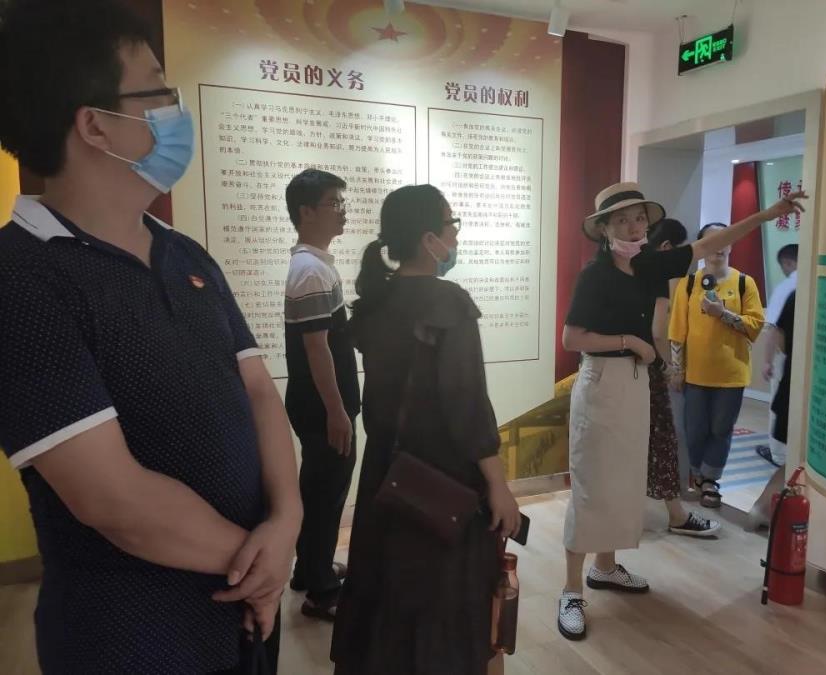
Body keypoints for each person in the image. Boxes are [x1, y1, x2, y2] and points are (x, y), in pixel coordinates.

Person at [0, 1, 301, 672]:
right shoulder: (21, 278)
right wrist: (260, 564)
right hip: (132, 638)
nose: (175, 108)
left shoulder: (185, 254)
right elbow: (113, 498)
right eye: (158, 91)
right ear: (95, 125)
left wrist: (286, 521)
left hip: (243, 616)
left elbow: (258, 391)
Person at [557, 182, 804, 641]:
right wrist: (630, 342)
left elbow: (711, 244)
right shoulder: (596, 275)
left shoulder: (649, 264)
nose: (634, 227)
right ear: (605, 228)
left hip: (635, 384)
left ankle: (605, 567)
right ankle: (571, 590)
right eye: (622, 220)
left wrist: (767, 215)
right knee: (593, 485)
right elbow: (573, 338)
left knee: (625, 483)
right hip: (602, 380)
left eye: (639, 219)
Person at [331, 184, 521, 675]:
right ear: (428, 239)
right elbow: (467, 403)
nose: (455, 235)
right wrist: (498, 484)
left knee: (386, 592)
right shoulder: (448, 302)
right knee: (448, 600)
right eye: (450, 224)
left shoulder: (375, 300)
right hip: (444, 477)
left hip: (389, 471)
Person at [283, 169, 360, 621]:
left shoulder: (313, 264)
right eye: (334, 203)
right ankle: (321, 592)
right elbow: (317, 348)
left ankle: (309, 569)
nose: (342, 211)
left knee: (320, 487)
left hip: (318, 403)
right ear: (306, 212)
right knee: (327, 492)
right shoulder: (310, 270)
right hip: (322, 406)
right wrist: (337, 410)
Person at [668, 223, 766, 508]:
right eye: (711, 240)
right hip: (695, 374)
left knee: (721, 430)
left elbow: (755, 326)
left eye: (725, 239)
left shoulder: (744, 283)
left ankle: (710, 480)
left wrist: (722, 313)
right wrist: (677, 369)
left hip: (732, 374)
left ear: (731, 244)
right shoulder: (689, 284)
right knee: (695, 429)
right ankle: (697, 474)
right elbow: (677, 330)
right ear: (701, 247)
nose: (719, 246)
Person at [645, 219, 720, 538]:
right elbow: (659, 330)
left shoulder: (629, 270)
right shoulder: (663, 278)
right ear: (667, 248)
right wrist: (670, 367)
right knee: (666, 437)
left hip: (628, 368)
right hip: (650, 368)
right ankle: (677, 511)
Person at [747, 290, 796, 530]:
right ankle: (764, 508)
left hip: (793, 386)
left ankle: (763, 509)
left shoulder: (795, 294)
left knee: (796, 460)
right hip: (802, 393)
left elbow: (781, 341)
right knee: (797, 460)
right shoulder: (796, 293)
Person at [756, 243, 798, 468]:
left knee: (780, 403)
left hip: (786, 357)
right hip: (809, 358)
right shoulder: (816, 282)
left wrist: (767, 361)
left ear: (788, 263)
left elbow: (773, 329)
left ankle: (779, 455)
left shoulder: (786, 287)